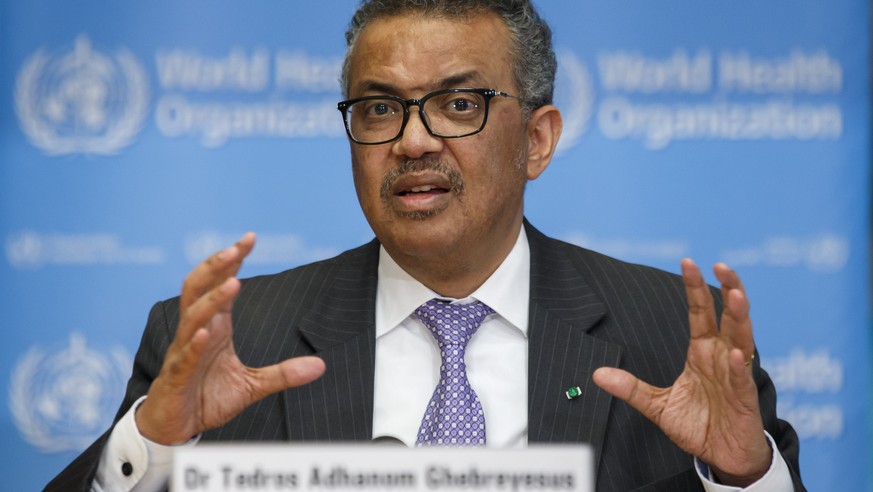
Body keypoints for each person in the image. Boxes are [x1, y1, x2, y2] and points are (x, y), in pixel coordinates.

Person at [47, 1, 805, 490]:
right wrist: (153, 444)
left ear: (536, 141)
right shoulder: (235, 340)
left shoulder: (671, 331)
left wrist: (741, 478)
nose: (412, 141)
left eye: (457, 104)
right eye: (379, 108)